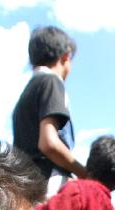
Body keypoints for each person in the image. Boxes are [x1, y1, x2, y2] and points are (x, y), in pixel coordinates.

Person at [12, 25, 87, 195]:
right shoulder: (52, 82)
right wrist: (84, 173)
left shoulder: (29, 90)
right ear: (65, 57)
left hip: (24, 184)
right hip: (46, 183)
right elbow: (49, 143)